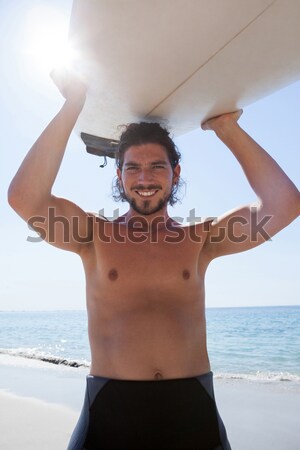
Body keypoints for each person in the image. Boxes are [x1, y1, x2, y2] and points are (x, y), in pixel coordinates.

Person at [8, 69, 300, 450]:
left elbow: (284, 205)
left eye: (157, 166)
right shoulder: (93, 236)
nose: (144, 177)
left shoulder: (200, 239)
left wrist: (226, 128)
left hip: (192, 411)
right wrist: (73, 104)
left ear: (175, 174)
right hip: (110, 412)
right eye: (133, 167)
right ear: (119, 175)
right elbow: (24, 198)